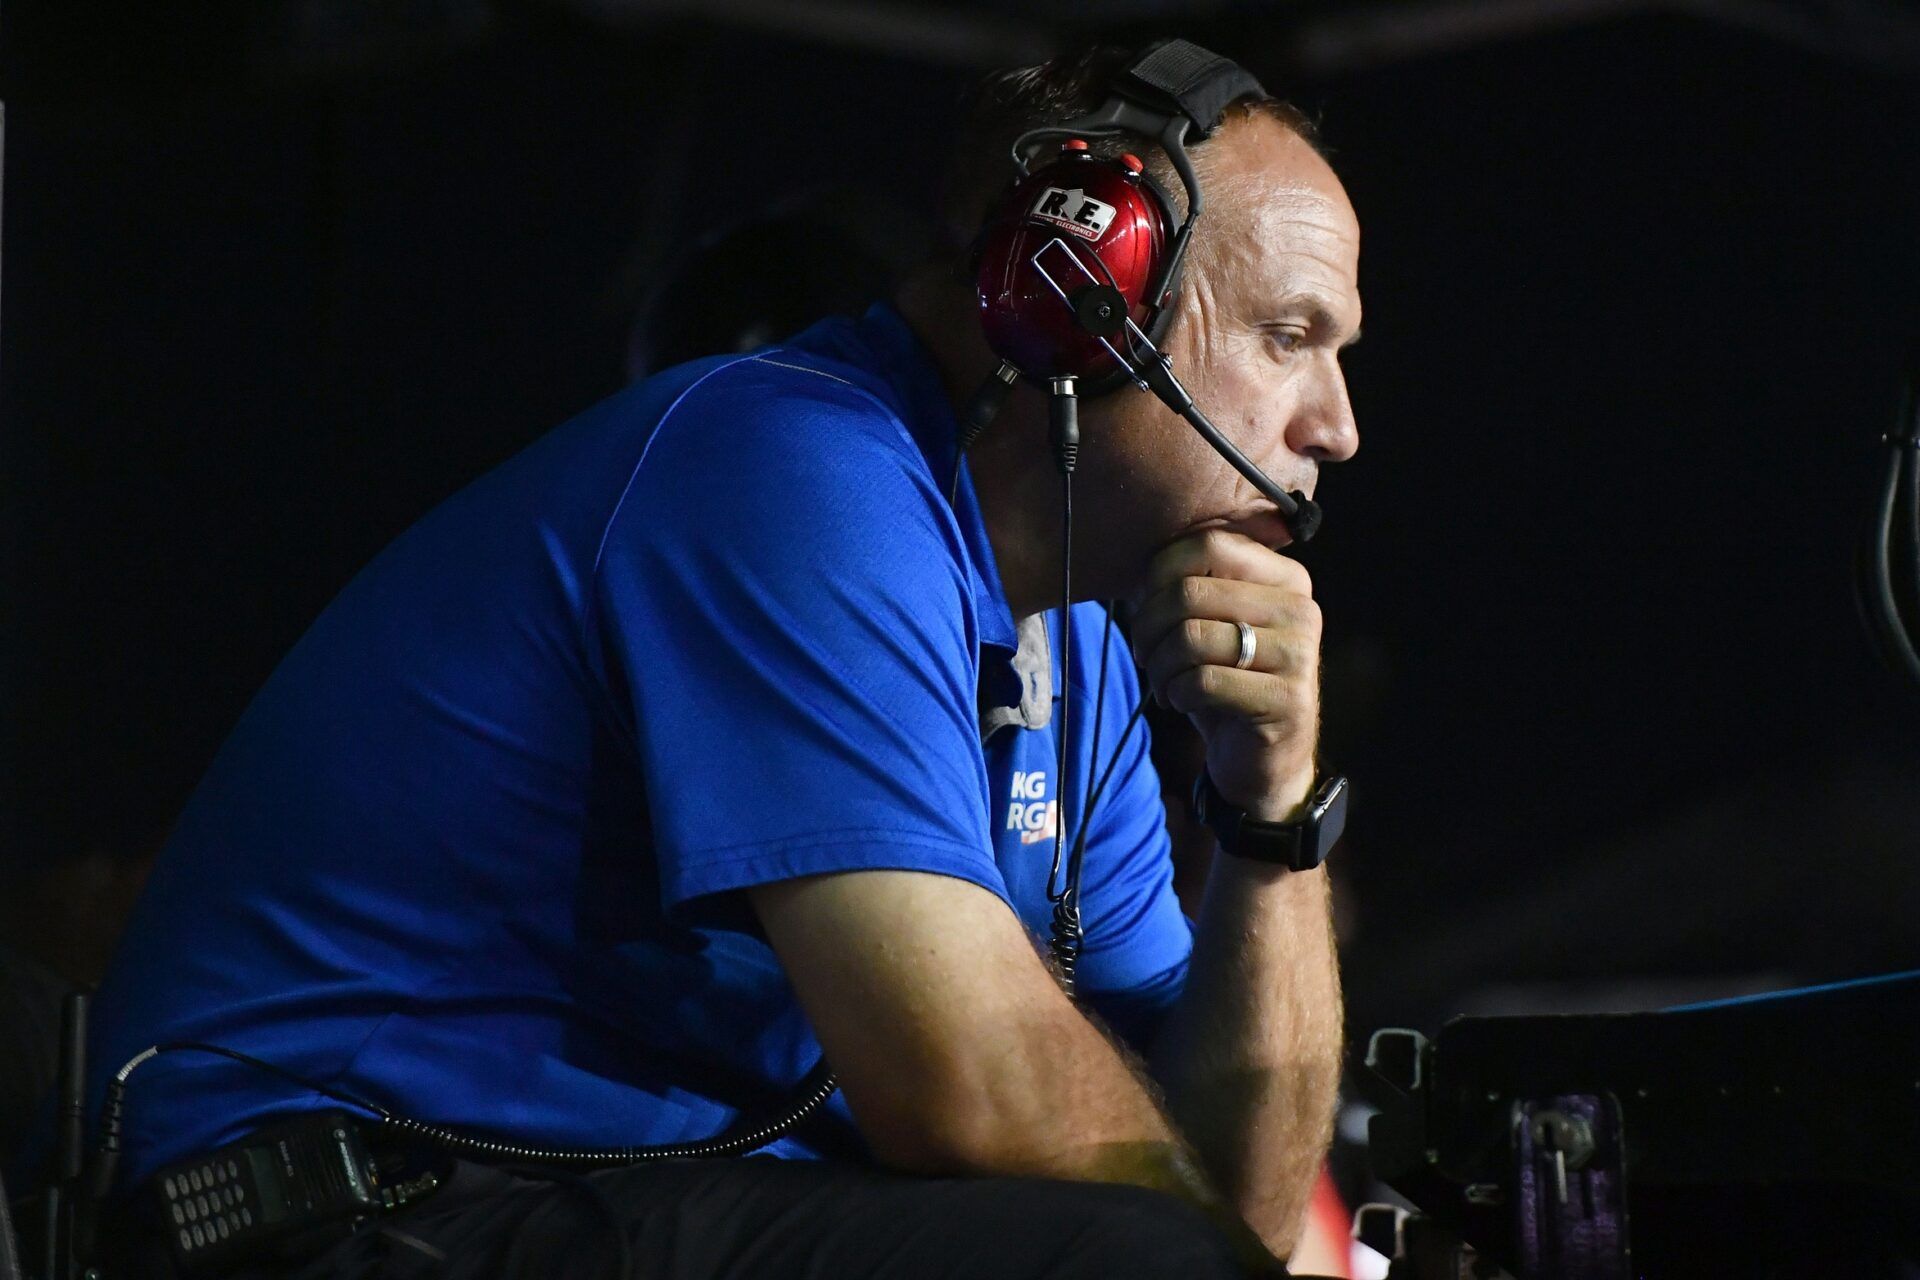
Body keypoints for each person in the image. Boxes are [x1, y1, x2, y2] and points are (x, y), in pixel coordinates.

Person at [77, 38, 1362, 1279]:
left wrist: (1273, 818)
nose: (1339, 428)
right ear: (1077, 300)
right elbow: (970, 1091)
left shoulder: (1077, 640)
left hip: (582, 1205)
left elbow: (1243, 1202)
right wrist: (1211, 1244)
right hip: (335, 1216)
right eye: (1290, 336)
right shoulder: (795, 471)